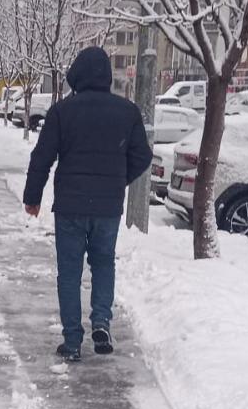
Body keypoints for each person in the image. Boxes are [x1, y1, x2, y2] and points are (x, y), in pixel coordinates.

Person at [22, 45, 152, 361]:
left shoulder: (62, 112)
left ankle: (72, 341)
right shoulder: (127, 112)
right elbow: (142, 156)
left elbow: (42, 157)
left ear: (76, 75)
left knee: (69, 272)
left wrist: (32, 197)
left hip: (70, 206)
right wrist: (116, 180)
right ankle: (101, 321)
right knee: (103, 263)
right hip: (107, 208)